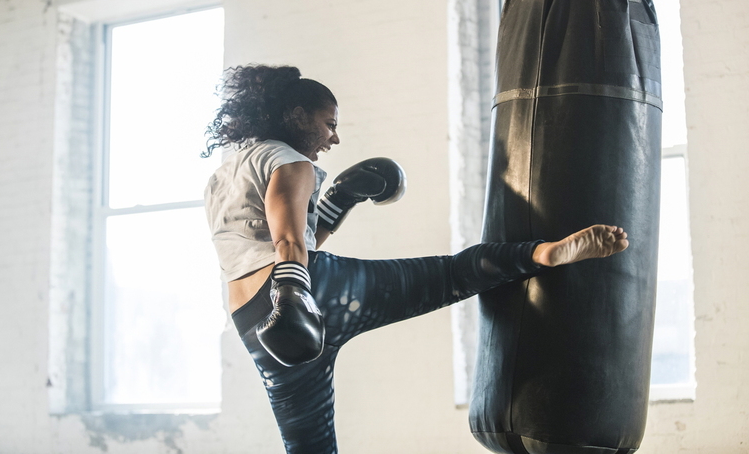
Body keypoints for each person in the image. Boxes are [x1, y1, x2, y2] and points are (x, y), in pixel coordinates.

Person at [202, 64, 629, 454]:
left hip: (254, 323)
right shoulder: (290, 162)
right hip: (303, 292)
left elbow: (263, 242)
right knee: (454, 272)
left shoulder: (221, 178)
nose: (334, 137)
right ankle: (547, 252)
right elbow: (289, 241)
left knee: (309, 449)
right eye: (329, 124)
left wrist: (338, 201)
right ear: (297, 116)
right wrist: (293, 293)